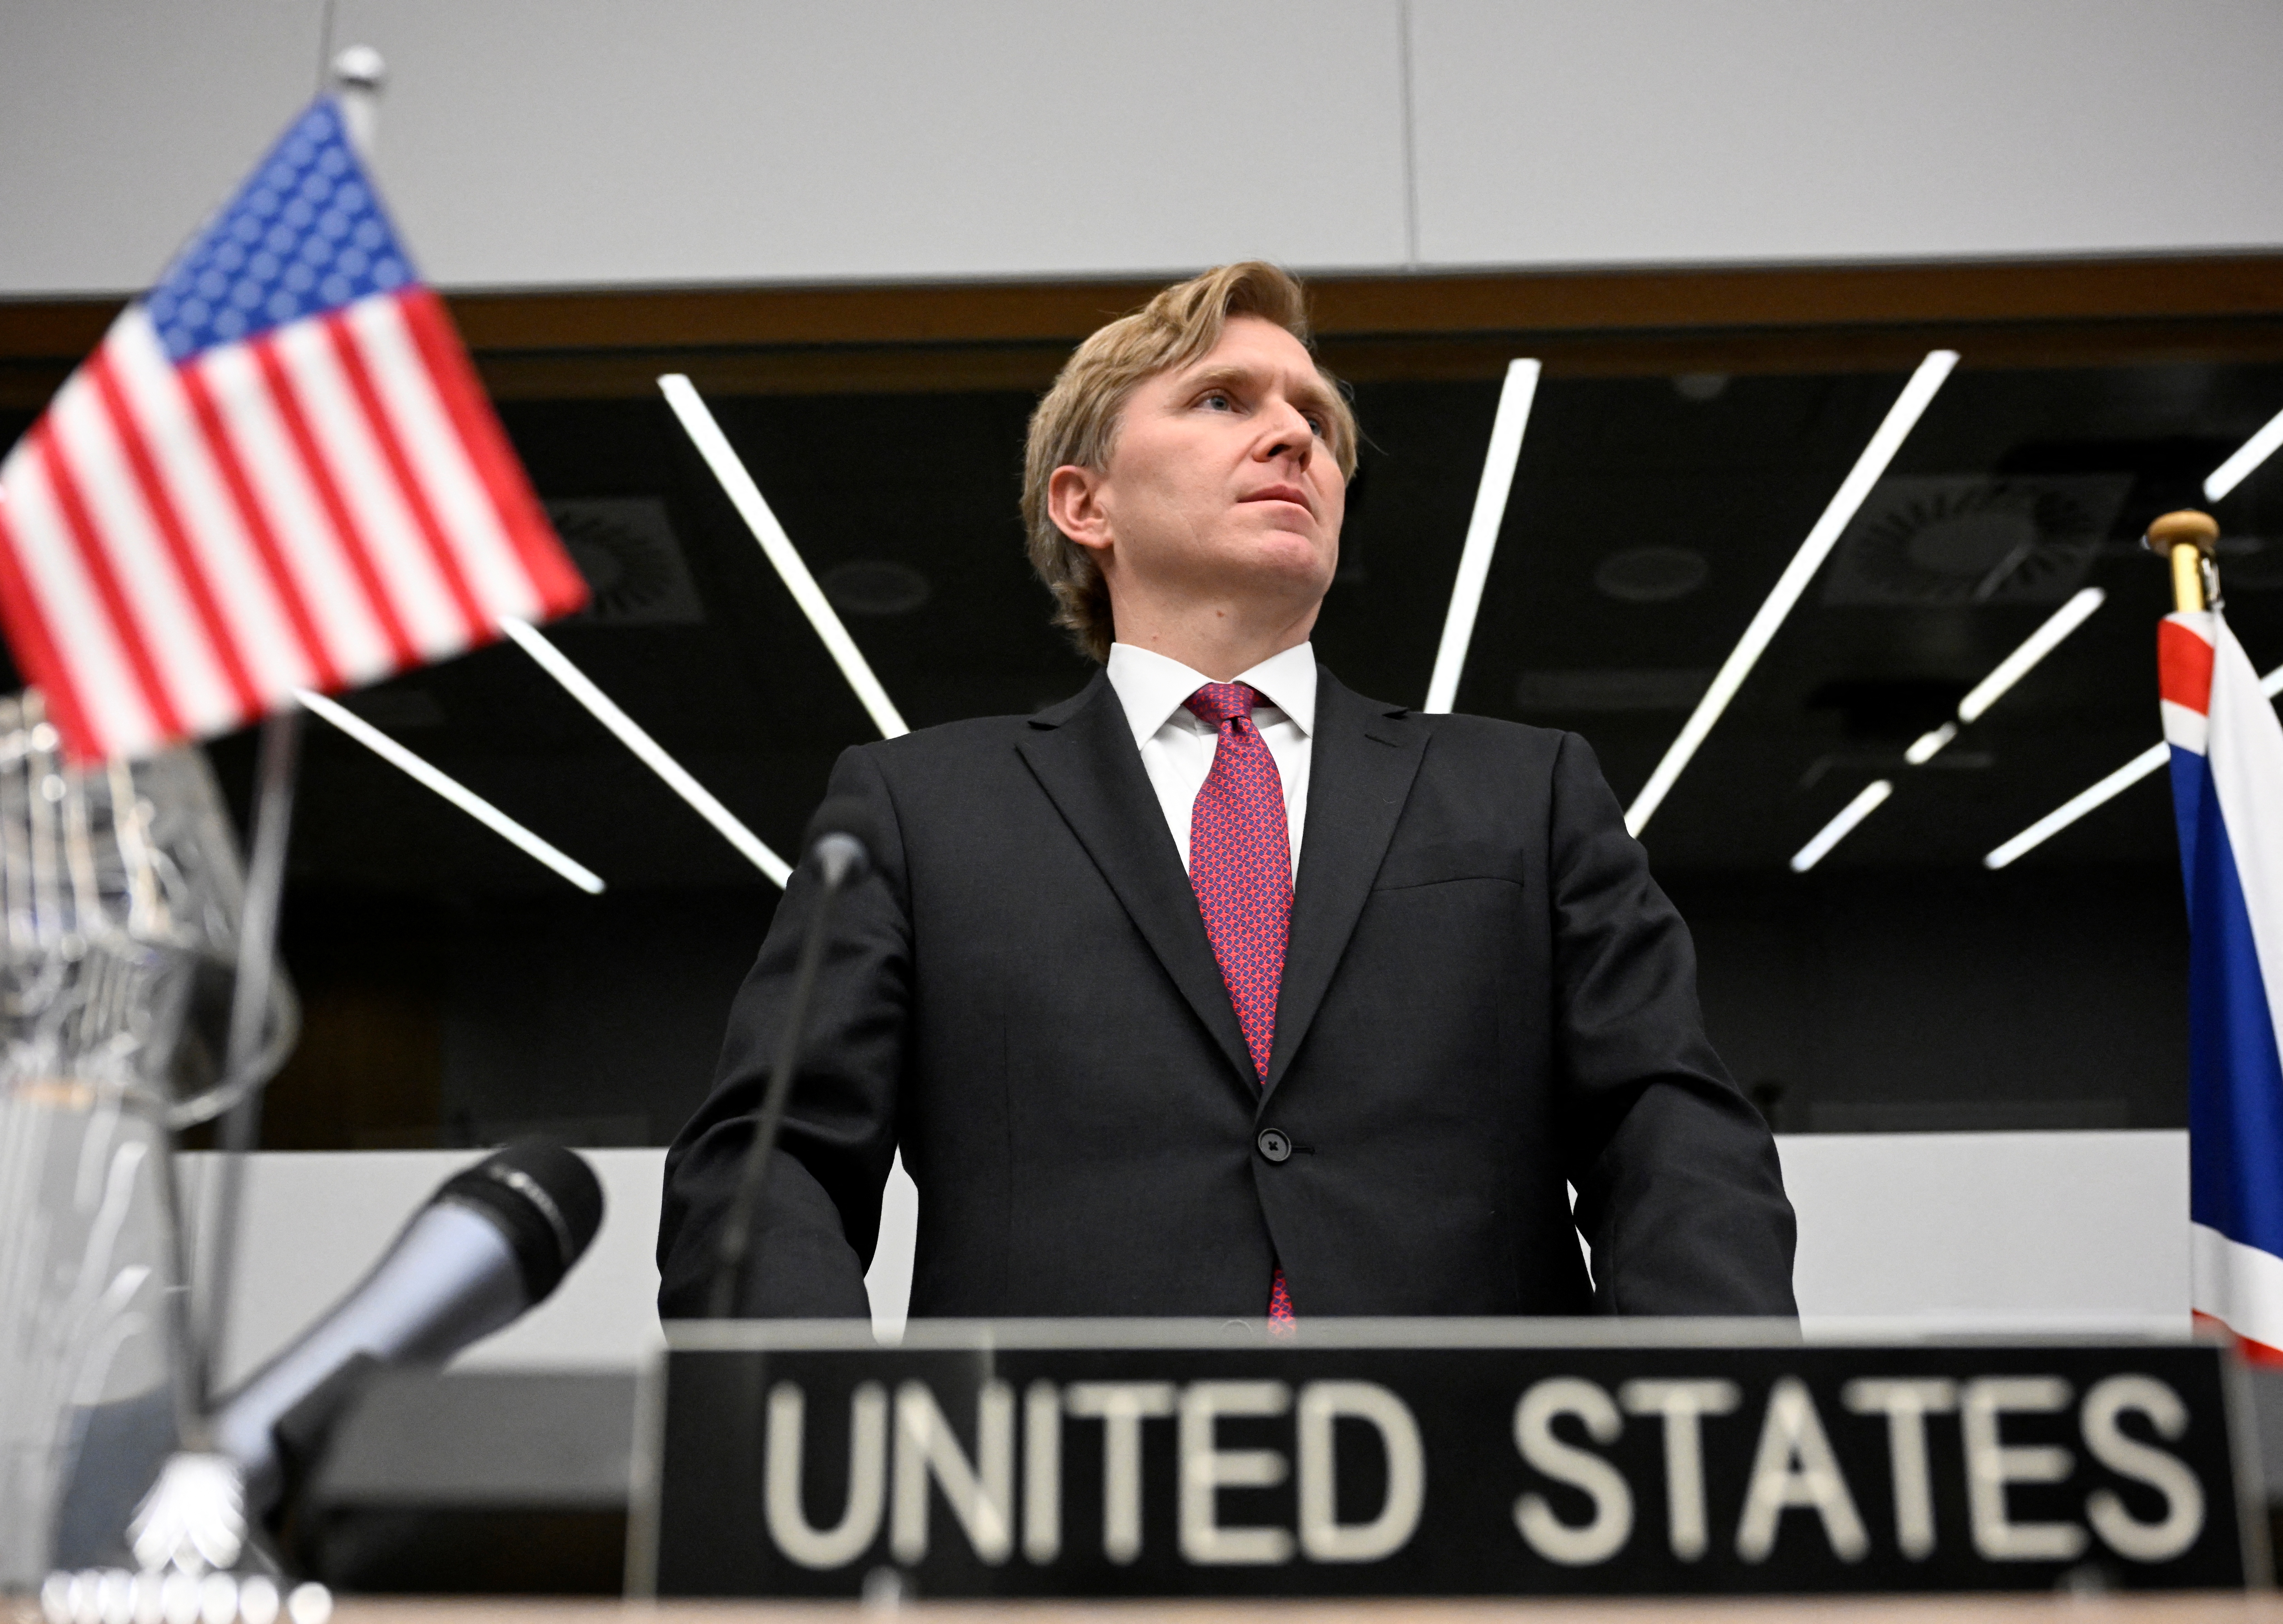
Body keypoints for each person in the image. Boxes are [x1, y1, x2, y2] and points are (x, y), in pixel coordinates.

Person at [656, 262, 1795, 1321]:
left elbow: (1670, 1133)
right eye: (1220, 401)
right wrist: (821, 1458)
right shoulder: (916, 811)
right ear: (1083, 504)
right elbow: (770, 1162)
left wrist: (1696, 1437)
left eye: (1316, 419)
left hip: (1479, 1491)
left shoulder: (1526, 791)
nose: (1293, 434)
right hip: (1046, 1501)